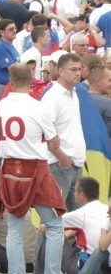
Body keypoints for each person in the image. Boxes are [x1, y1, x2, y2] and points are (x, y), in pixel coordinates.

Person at [0, 64, 68, 274]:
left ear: (10, 80)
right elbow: (52, 141)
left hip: (9, 170)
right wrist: (64, 159)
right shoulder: (37, 107)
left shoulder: (2, 105)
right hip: (35, 169)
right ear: (33, 79)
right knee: (55, 225)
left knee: (15, 229)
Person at [40, 52, 87, 212]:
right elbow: (45, 131)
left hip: (75, 163)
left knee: (76, 219)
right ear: (60, 71)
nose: (78, 73)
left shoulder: (74, 94)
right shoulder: (52, 97)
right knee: (55, 217)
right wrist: (62, 157)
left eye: (80, 69)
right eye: (73, 69)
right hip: (60, 165)